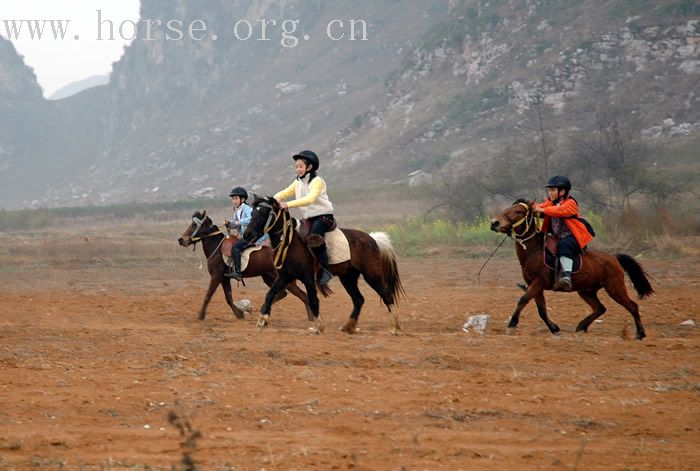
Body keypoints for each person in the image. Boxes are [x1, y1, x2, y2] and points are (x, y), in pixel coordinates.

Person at [274, 150, 335, 286]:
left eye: (301, 166)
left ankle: (326, 269)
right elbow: (285, 192)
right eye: (296, 167)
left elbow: (310, 199)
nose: (298, 169)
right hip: (309, 218)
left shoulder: (317, 182)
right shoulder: (298, 182)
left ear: (309, 167)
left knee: (314, 237)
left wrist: (287, 204)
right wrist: (272, 200)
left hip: (324, 216)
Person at [534, 175, 593, 291]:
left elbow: (560, 211)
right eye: (549, 190)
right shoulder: (551, 203)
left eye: (552, 190)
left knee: (563, 245)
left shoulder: (571, 203)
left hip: (573, 237)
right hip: (558, 236)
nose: (550, 193)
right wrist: (529, 207)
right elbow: (540, 206)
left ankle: (567, 276)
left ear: (562, 191)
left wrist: (543, 210)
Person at [225, 186, 267, 280]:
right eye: (233, 199)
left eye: (236, 198)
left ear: (242, 199)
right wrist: (230, 224)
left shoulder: (247, 208)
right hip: (245, 235)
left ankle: (238, 273)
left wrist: (237, 222)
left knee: (235, 247)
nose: (234, 201)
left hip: (252, 236)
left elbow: (251, 219)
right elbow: (236, 224)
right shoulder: (237, 210)